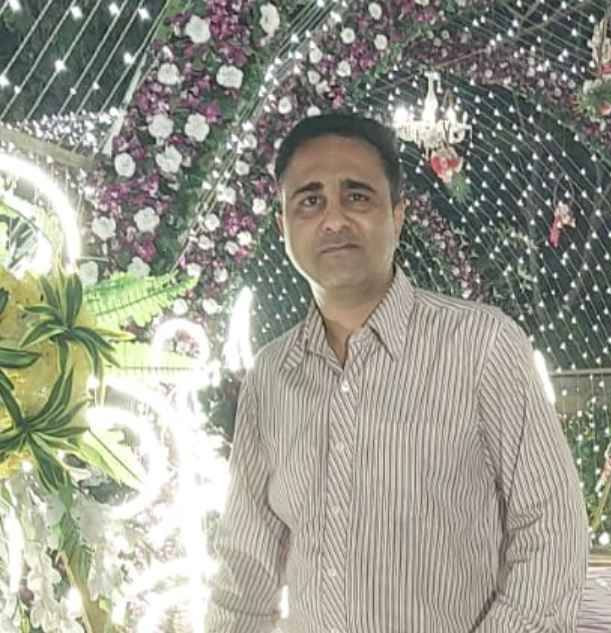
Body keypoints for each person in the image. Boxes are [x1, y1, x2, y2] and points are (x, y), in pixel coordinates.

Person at [205, 113, 589, 633]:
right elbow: (245, 565)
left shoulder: (480, 346)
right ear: (283, 227)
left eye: (357, 196)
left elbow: (552, 529)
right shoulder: (272, 375)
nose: (334, 220)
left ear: (397, 215)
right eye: (310, 201)